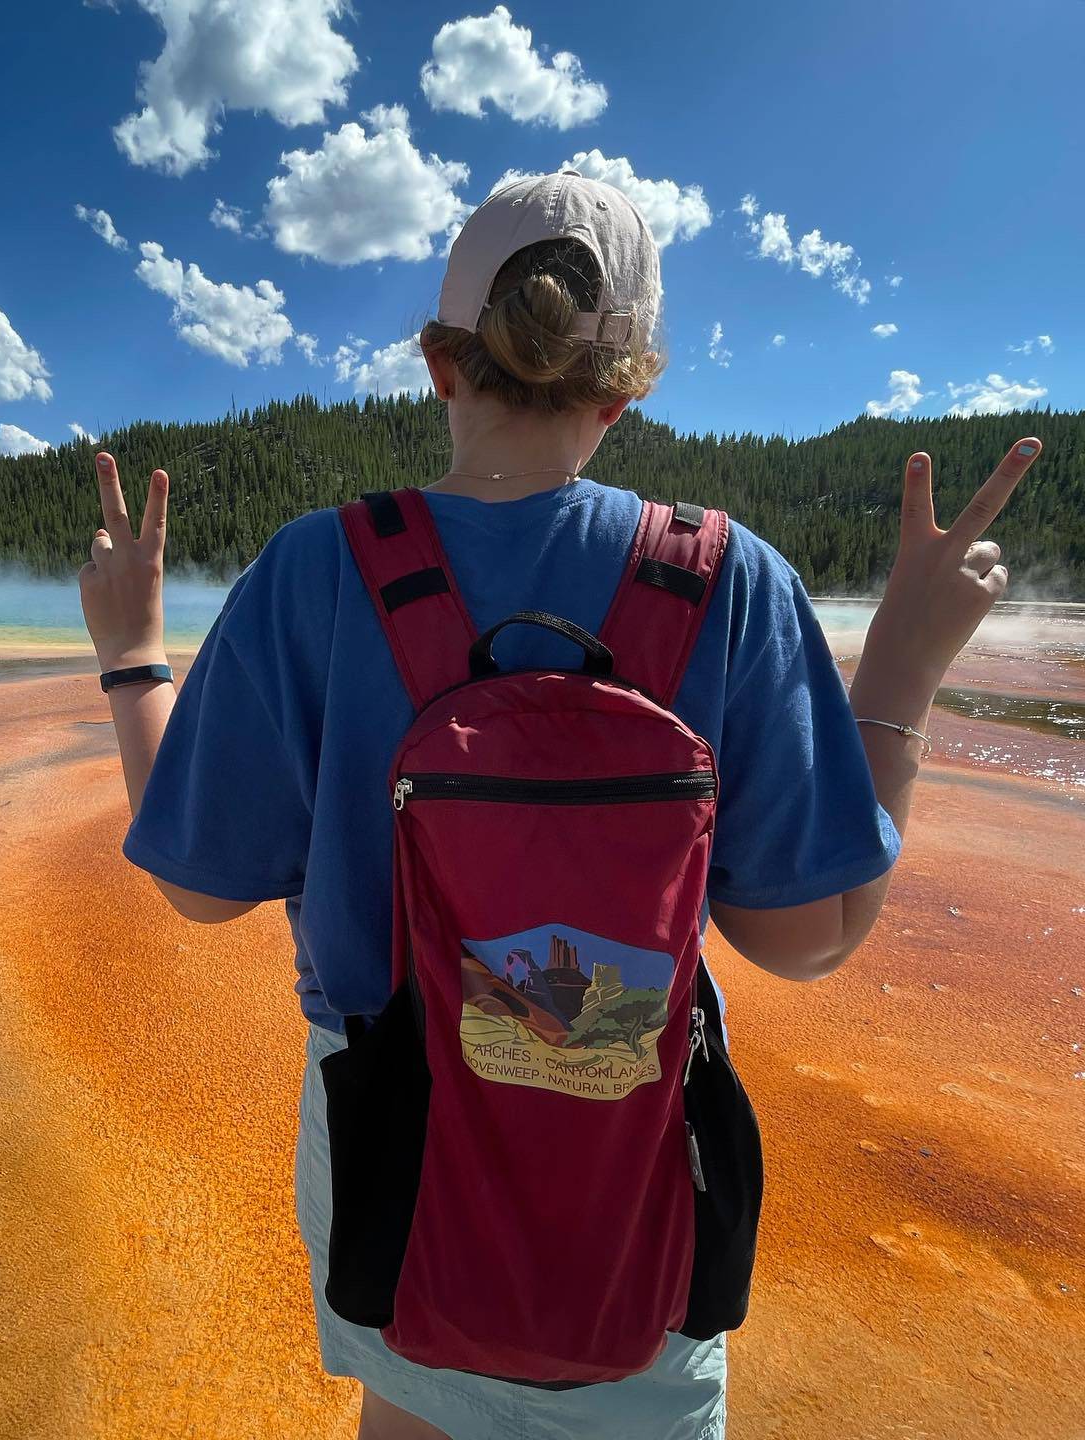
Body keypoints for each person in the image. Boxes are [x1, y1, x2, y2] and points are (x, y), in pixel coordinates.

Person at [77, 172, 1041, 1440]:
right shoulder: (730, 580)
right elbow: (809, 939)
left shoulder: (317, 565)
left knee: (411, 1409)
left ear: (439, 365)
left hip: (392, 1141)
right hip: (631, 1156)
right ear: (628, 390)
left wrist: (132, 655)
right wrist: (904, 667)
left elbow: (197, 889)